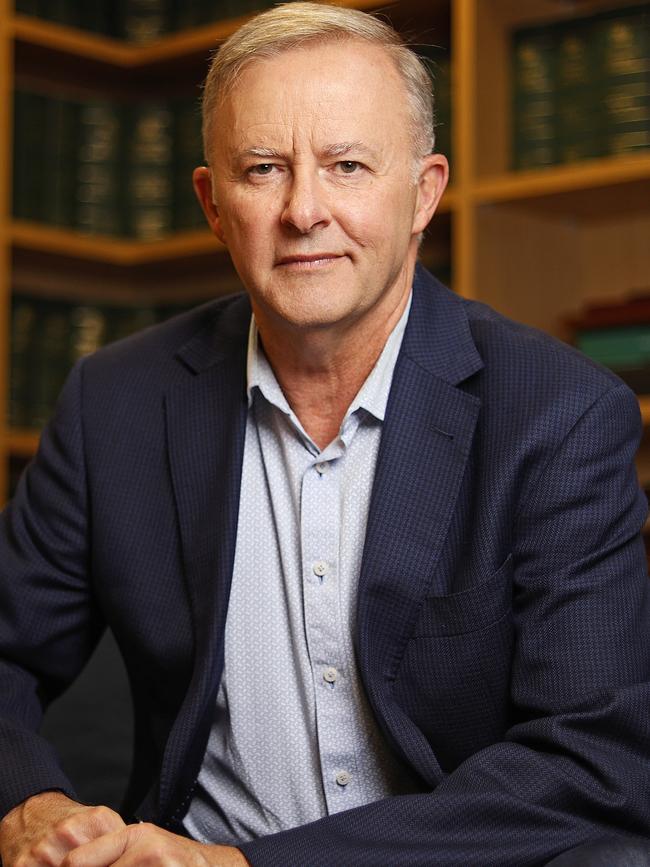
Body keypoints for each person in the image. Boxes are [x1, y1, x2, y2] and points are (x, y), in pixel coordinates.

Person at [1, 3, 649, 866]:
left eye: (347, 166)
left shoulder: (559, 415)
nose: (304, 211)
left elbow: (588, 767)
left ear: (424, 194)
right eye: (264, 168)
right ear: (212, 203)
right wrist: (29, 803)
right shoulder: (115, 402)